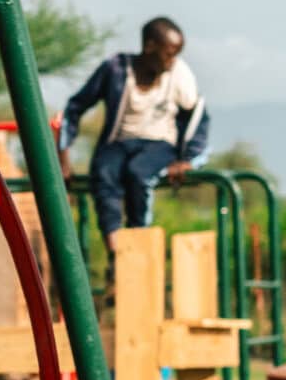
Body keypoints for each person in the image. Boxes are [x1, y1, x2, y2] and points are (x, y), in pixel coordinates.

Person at [60, 17, 209, 241]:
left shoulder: (179, 74)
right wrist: (62, 156)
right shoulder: (116, 70)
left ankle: (139, 238)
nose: (172, 61)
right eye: (168, 54)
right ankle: (114, 244)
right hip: (119, 140)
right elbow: (75, 107)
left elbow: (198, 116)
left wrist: (188, 158)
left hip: (160, 143)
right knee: (105, 172)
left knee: (138, 173)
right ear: (149, 47)